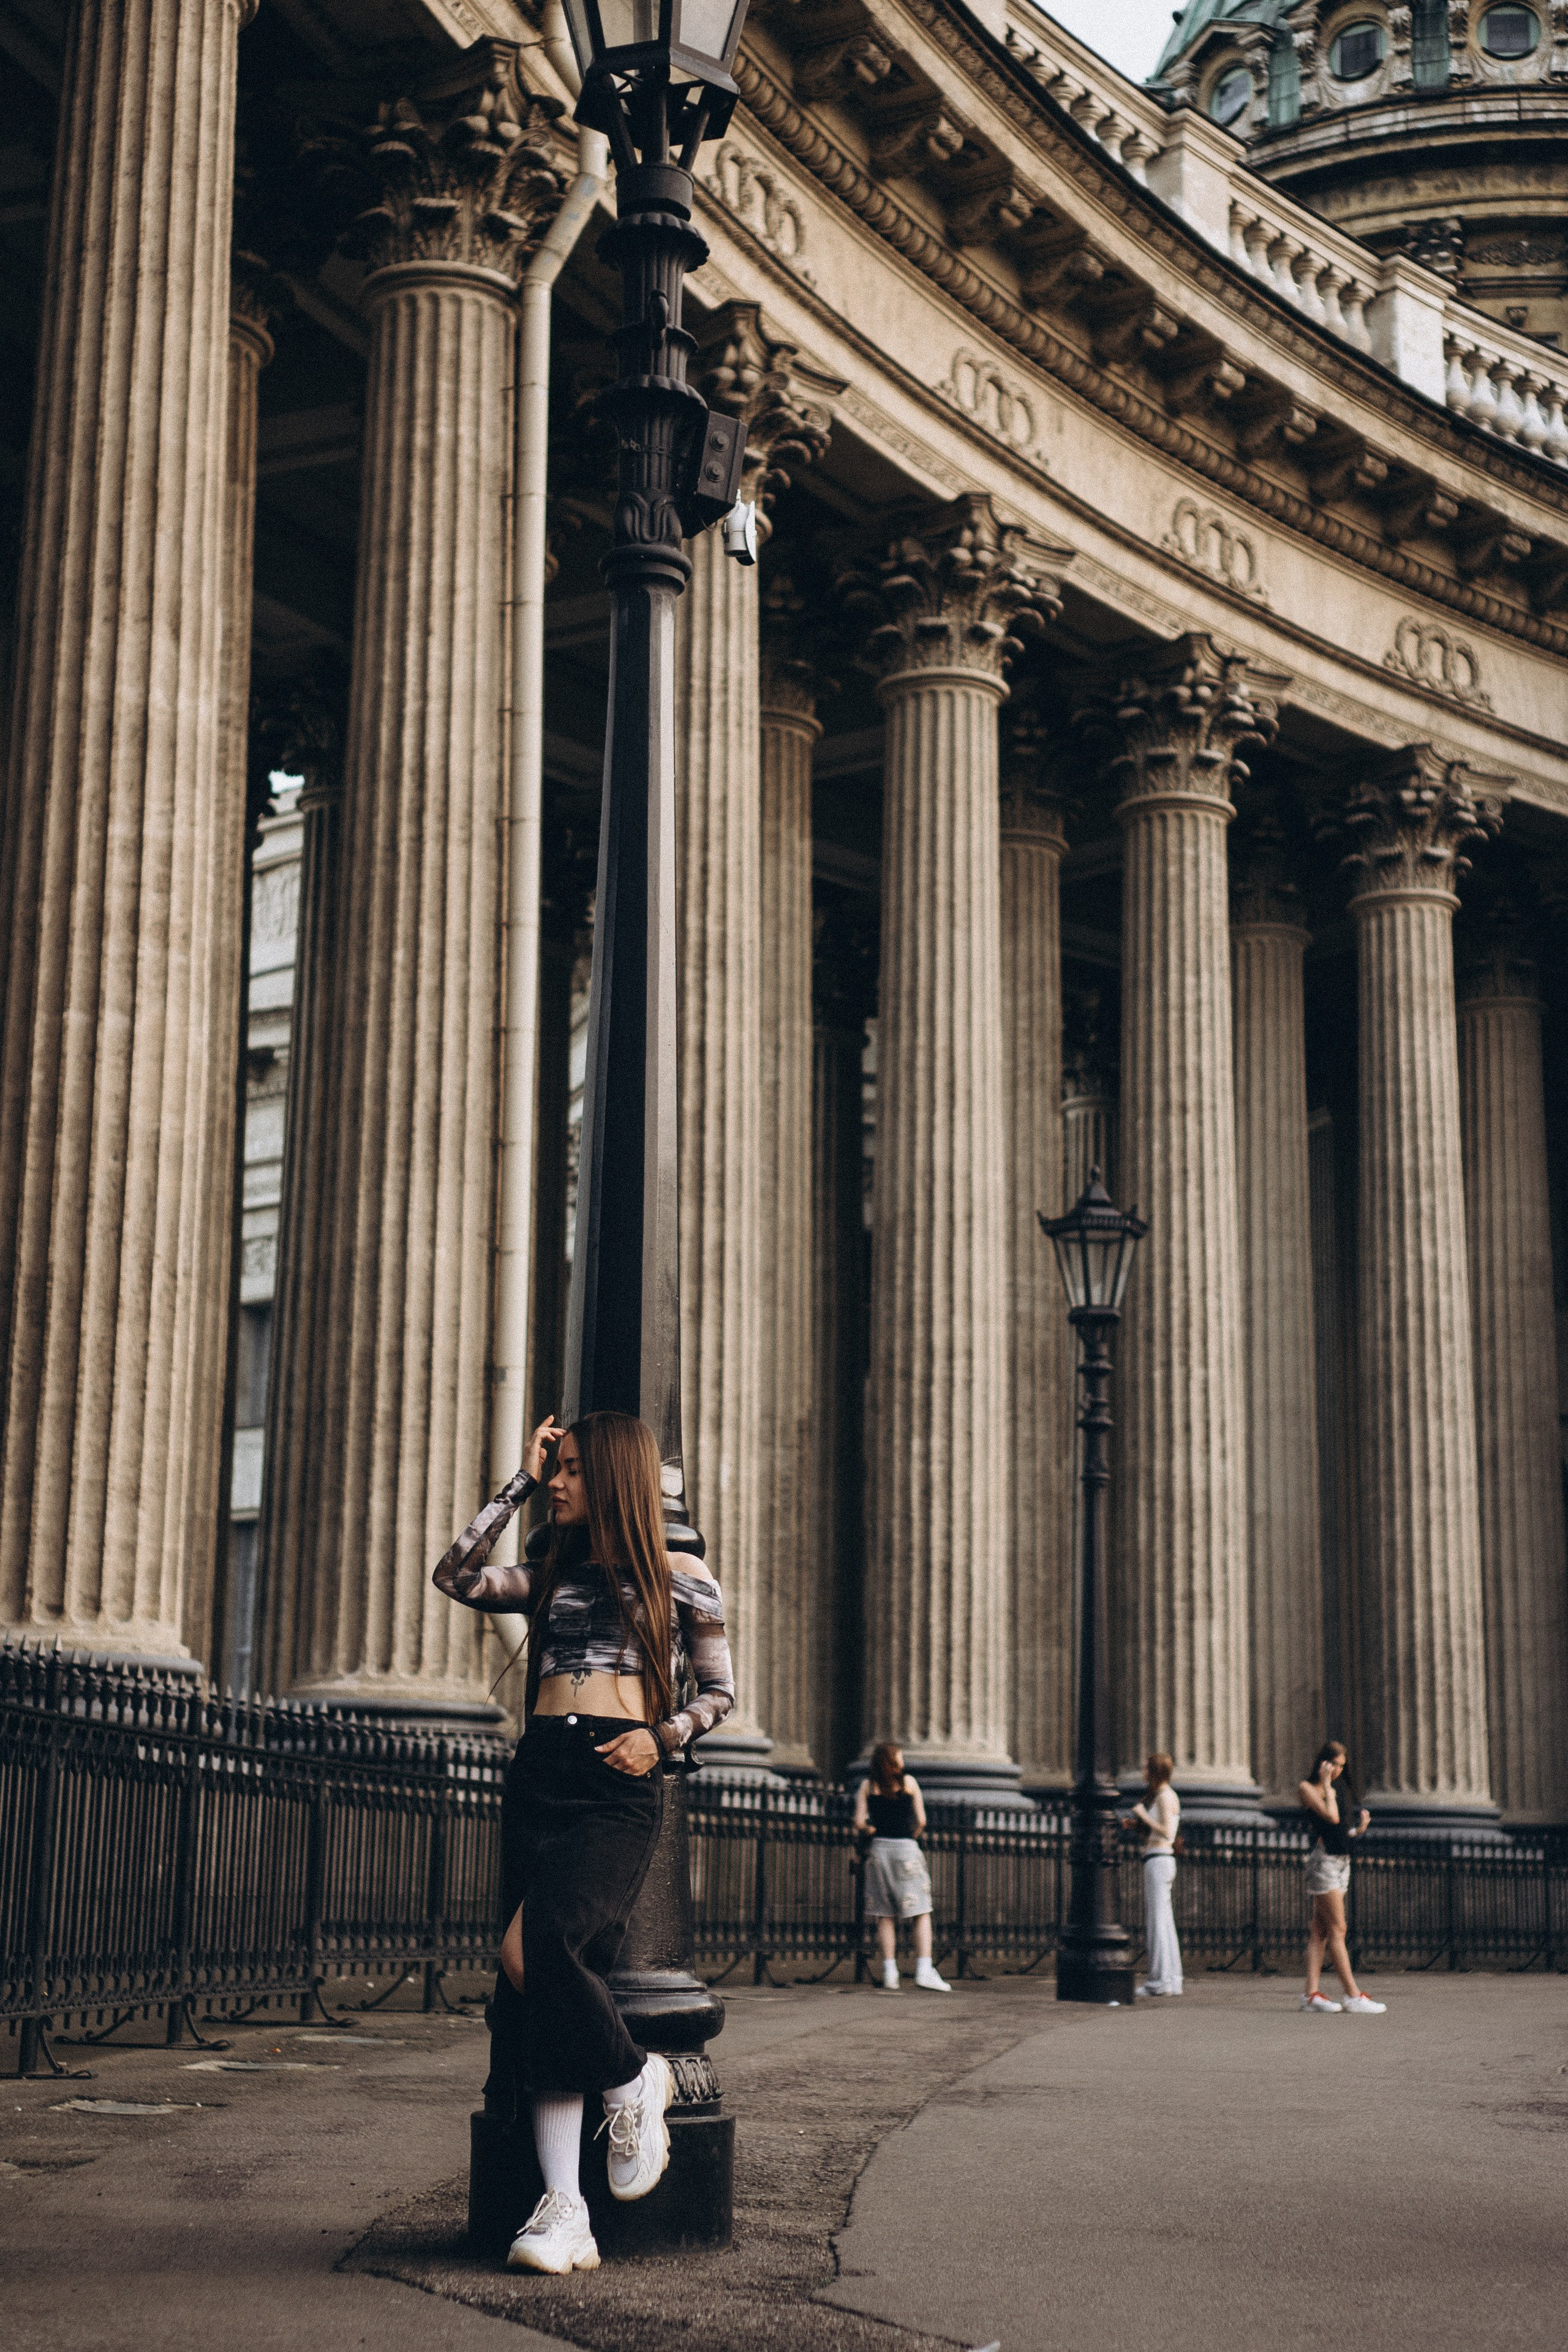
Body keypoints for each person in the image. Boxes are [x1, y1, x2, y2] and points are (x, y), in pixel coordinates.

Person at [432, 1411, 736, 2273]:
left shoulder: (682, 1575)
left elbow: (720, 1692)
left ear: (610, 1479)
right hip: (543, 1771)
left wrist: (664, 1737)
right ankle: (565, 2209)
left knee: (540, 1951)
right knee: (545, 1989)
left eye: (568, 1471)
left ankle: (635, 2076)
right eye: (554, 1469)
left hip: (615, 1776)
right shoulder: (557, 1570)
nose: (558, 1482)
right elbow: (455, 1575)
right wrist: (517, 1483)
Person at [853, 1743, 949, 1991]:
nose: (903, 1761)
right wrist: (912, 1835)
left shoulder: (868, 1786)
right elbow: (922, 1821)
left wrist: (872, 1829)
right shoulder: (909, 1784)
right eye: (900, 1757)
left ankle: (890, 1972)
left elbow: (859, 1821)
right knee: (920, 1910)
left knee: (884, 1914)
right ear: (893, 1761)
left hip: (879, 1851)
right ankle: (924, 1969)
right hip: (906, 1849)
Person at [1298, 1740, 1385, 2016]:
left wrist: (1357, 1831)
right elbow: (1332, 1818)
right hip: (1323, 1865)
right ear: (1323, 1763)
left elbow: (1337, 1833)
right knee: (1339, 1929)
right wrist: (1327, 1786)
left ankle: (1310, 1995)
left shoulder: (1329, 1790)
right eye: (1334, 1764)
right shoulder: (1308, 1788)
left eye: (1341, 1767)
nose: (1337, 1770)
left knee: (1320, 1930)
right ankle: (1352, 1994)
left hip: (1339, 1862)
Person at [1126, 1752, 1182, 1997]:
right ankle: (1171, 1979)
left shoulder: (1163, 1796)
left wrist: (1143, 1816)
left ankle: (1158, 1982)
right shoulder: (1166, 1796)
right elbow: (1158, 1834)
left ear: (1155, 1772)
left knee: (1157, 1922)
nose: (1143, 1773)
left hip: (1159, 1861)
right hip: (1161, 1859)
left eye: (1147, 1769)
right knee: (1164, 1921)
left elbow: (1167, 1833)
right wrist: (1137, 1826)